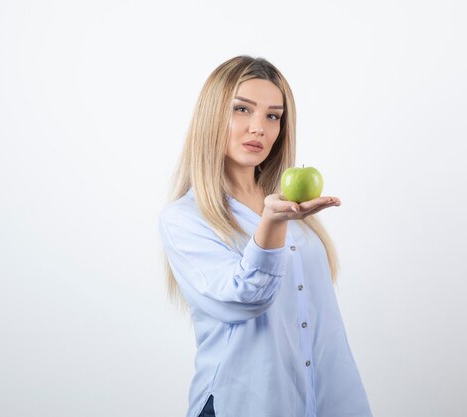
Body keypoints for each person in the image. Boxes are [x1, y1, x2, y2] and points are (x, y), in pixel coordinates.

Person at [158, 55, 373, 417]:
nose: (259, 127)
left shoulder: (297, 212)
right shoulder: (184, 220)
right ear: (212, 116)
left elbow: (326, 331)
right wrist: (271, 223)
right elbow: (244, 301)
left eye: (273, 115)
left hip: (317, 402)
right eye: (242, 109)